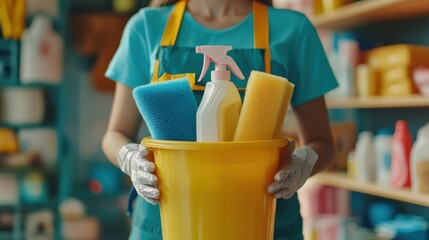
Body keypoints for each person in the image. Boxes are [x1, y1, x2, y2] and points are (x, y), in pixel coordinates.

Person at [102, 0, 338, 239]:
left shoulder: (293, 29)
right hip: (166, 221)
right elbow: (115, 134)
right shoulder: (147, 26)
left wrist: (301, 165)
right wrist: (131, 160)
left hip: (263, 221)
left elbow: (323, 143)